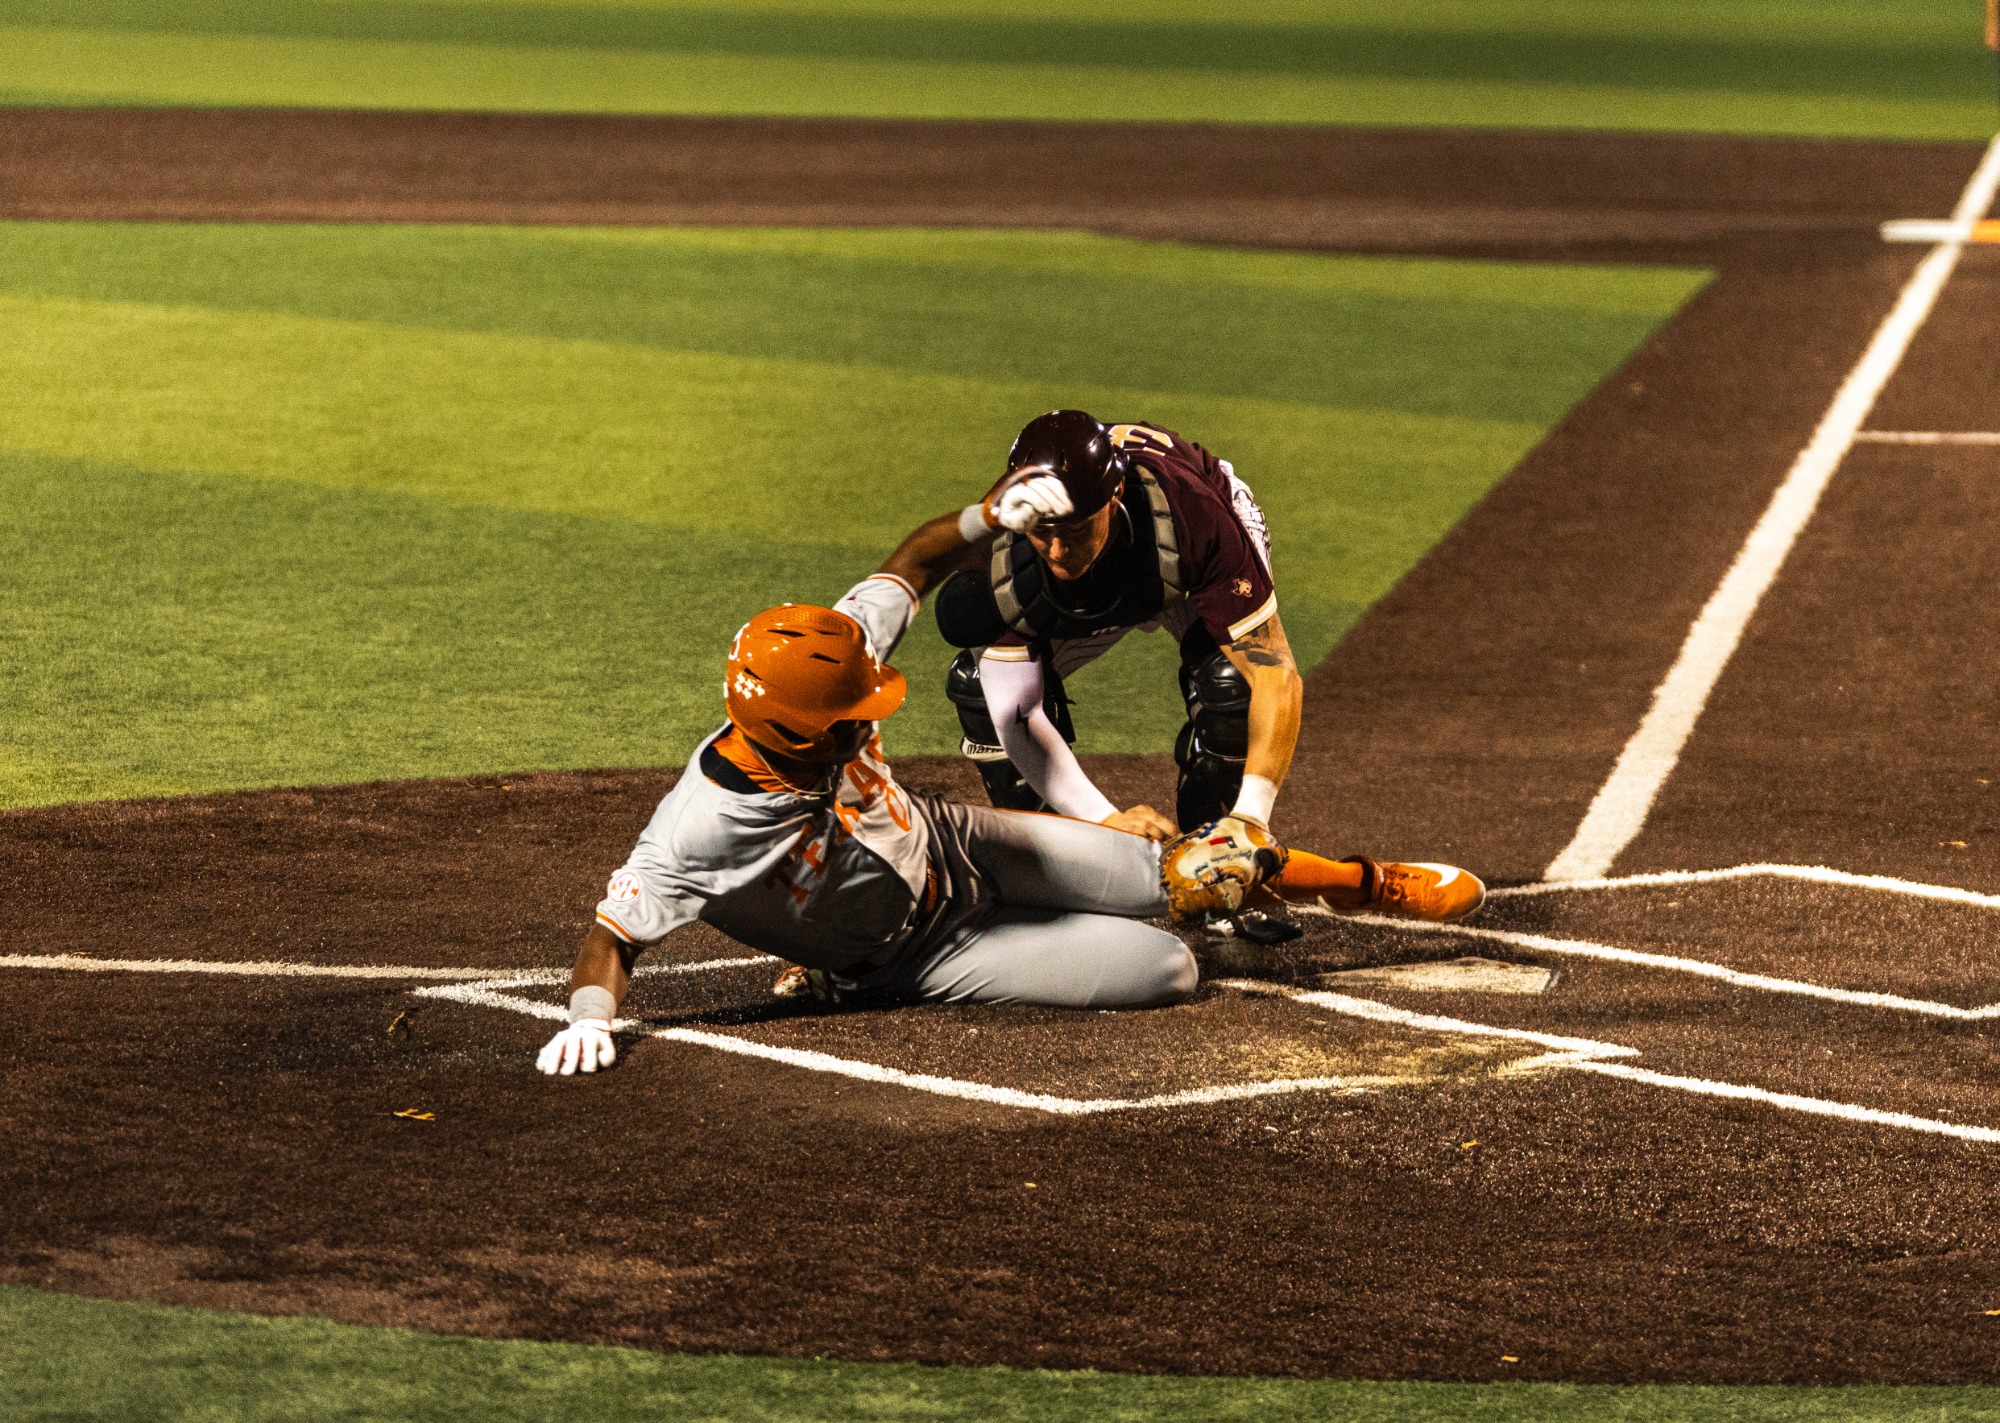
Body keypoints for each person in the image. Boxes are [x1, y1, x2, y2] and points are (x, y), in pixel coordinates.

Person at [536, 532, 1486, 1076]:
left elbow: (911, 560)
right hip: (923, 955)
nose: (869, 713)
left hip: (963, 844)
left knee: (1191, 870)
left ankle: (1363, 881)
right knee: (1167, 968)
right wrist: (590, 1013)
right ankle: (830, 971)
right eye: (852, 719)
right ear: (796, 732)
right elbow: (610, 938)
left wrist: (990, 513)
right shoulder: (698, 830)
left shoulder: (824, 661)